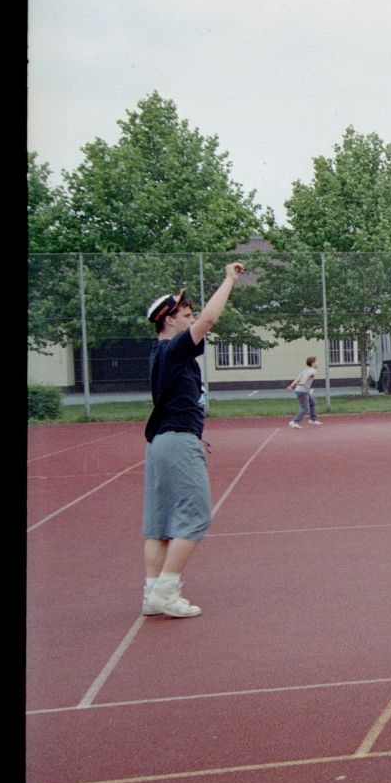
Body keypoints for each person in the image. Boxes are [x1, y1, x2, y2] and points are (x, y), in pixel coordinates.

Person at [140, 262, 246, 618]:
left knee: (160, 525)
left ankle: (153, 592)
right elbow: (210, 320)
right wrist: (229, 279)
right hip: (176, 439)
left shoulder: (160, 355)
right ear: (169, 320)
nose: (192, 318)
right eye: (186, 314)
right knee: (195, 517)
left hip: (161, 442)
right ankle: (168, 591)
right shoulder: (172, 350)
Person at [286, 355, 322, 428]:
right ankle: (294, 422)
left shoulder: (304, 370)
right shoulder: (313, 370)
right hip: (302, 391)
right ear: (312, 363)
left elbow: (297, 379)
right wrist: (304, 382)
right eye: (316, 362)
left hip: (303, 390)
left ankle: (313, 420)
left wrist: (291, 386)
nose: (317, 363)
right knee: (305, 408)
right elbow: (310, 375)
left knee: (313, 403)